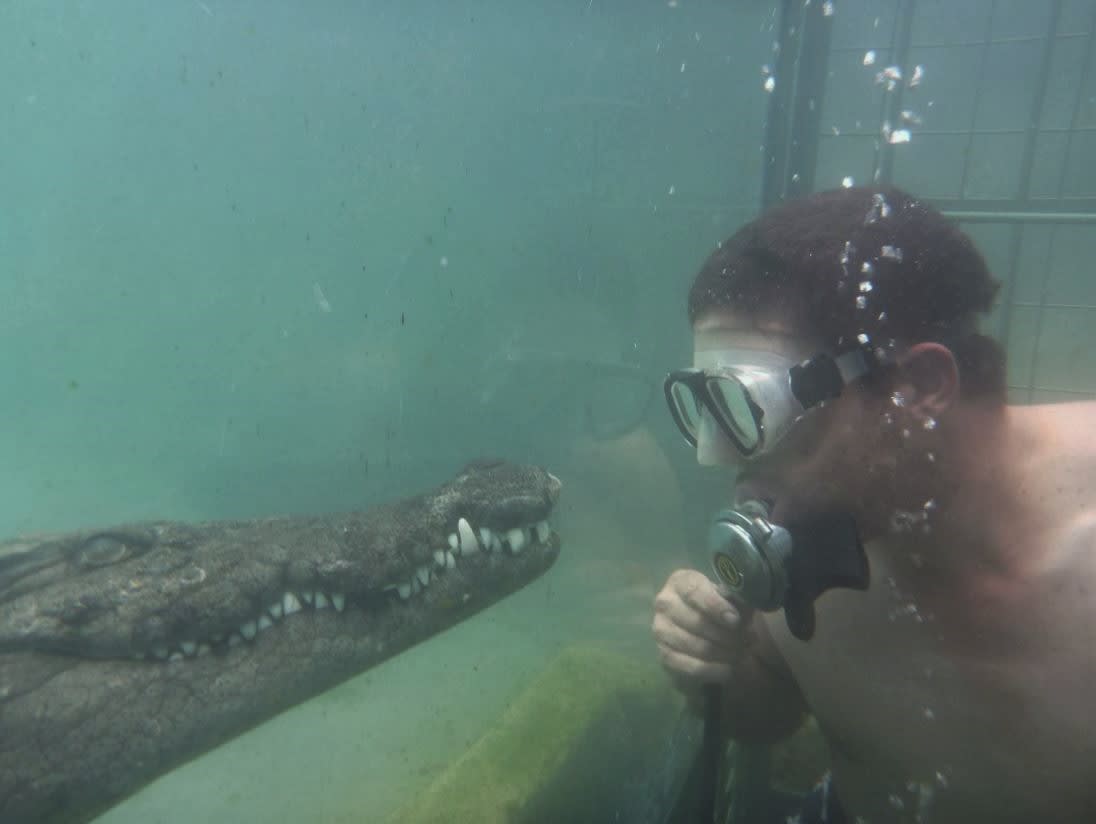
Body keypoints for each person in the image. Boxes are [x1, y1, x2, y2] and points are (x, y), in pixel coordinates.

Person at [651, 185, 1096, 823]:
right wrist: (716, 667)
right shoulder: (806, 544)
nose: (717, 460)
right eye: (707, 406)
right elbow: (775, 714)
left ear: (917, 391)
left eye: (750, 410)